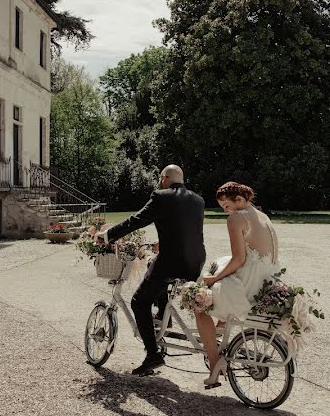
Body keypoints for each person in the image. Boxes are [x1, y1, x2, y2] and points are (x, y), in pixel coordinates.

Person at [98, 165, 206, 376]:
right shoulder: (197, 200)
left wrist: (108, 235)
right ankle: (164, 318)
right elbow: (185, 229)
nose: (159, 182)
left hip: (172, 261)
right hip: (195, 262)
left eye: (160, 178)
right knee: (154, 272)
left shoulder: (161, 196)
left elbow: (136, 220)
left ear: (165, 178)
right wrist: (161, 241)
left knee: (139, 301)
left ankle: (152, 354)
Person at [197, 182, 279, 389]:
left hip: (247, 283)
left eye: (226, 206)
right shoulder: (263, 216)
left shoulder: (237, 218)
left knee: (198, 302)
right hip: (266, 280)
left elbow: (238, 259)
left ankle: (215, 364)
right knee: (219, 268)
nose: (225, 212)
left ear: (240, 201)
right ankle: (222, 324)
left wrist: (213, 280)